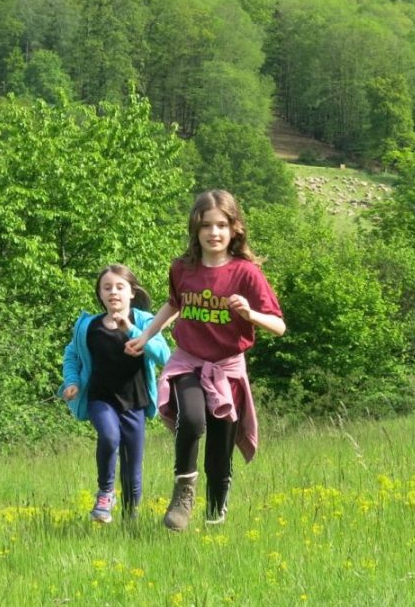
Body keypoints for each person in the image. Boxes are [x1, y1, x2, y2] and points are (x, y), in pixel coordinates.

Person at [125, 189, 285, 531]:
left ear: (234, 230)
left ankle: (216, 511)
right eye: (206, 226)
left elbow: (279, 326)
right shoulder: (182, 269)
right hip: (188, 361)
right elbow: (174, 304)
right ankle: (183, 494)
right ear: (195, 230)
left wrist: (251, 314)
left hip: (227, 368)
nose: (214, 233)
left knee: (219, 446)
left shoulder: (246, 273)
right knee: (193, 420)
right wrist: (145, 336)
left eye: (221, 226)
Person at [59, 264, 170, 523]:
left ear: (132, 292)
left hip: (135, 401)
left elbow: (164, 356)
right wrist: (72, 381)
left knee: (133, 465)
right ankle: (106, 493)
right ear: (100, 294)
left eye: (120, 287)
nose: (113, 292)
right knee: (109, 437)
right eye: (107, 287)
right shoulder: (88, 326)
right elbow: (72, 355)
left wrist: (130, 329)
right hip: (101, 398)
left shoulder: (144, 321)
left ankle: (130, 518)